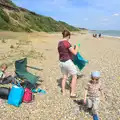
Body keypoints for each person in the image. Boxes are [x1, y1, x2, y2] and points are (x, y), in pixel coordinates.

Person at [58, 30, 78, 98]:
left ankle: (63, 92)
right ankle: (72, 93)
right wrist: (77, 47)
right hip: (68, 62)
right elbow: (74, 53)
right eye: (69, 36)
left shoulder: (59, 43)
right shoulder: (67, 43)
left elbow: (64, 51)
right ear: (68, 36)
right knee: (74, 76)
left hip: (61, 62)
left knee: (64, 77)